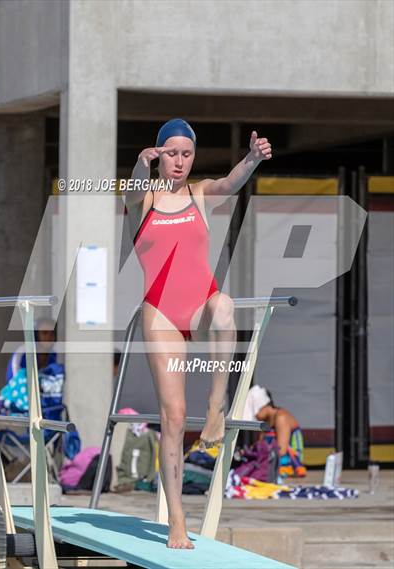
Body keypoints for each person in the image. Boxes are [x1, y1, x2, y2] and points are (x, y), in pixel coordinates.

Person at [125, 118, 271, 549]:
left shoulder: (199, 193)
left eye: (186, 154)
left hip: (200, 303)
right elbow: (132, 191)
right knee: (171, 419)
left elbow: (229, 183)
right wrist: (139, 165)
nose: (179, 161)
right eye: (171, 153)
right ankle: (175, 520)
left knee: (224, 305)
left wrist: (251, 158)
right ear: (158, 154)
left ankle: (216, 406)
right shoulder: (145, 198)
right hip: (161, 315)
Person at [243, 385, 307, 478]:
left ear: (263, 406)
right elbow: (260, 444)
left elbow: (282, 450)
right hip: (272, 456)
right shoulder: (266, 420)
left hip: (287, 460)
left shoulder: (281, 417)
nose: (255, 417)